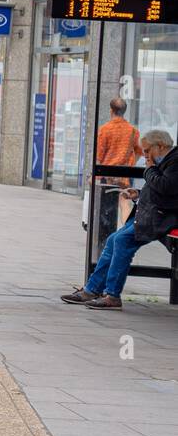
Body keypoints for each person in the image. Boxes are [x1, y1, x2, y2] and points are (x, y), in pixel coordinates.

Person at [62, 130, 178, 310]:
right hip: (149, 214)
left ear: (161, 146)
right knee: (112, 240)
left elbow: (166, 187)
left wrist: (149, 170)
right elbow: (160, 190)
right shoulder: (164, 162)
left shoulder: (174, 162)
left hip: (161, 218)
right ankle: (92, 289)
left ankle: (112, 295)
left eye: (147, 151)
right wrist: (138, 194)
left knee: (122, 241)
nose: (145, 155)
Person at [95, 97, 144, 231]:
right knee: (125, 201)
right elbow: (140, 151)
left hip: (108, 174)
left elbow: (98, 156)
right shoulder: (132, 130)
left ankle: (105, 236)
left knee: (106, 209)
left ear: (111, 110)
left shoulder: (105, 129)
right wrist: (131, 163)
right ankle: (127, 230)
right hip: (125, 175)